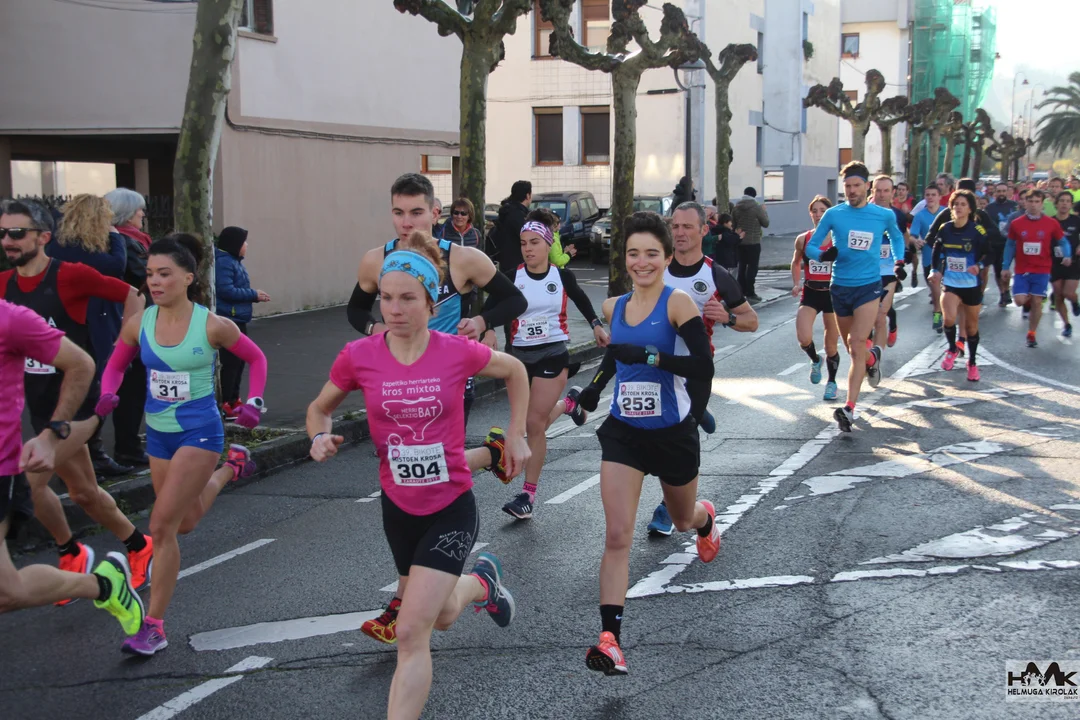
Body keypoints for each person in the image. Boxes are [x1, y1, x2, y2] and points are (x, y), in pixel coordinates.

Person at [307, 233, 528, 718]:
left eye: (407, 298)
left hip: (450, 506)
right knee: (443, 614)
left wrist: (516, 433)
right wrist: (318, 436)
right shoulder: (359, 356)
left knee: (410, 632)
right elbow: (319, 408)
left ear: (432, 302)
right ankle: (482, 584)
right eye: (386, 298)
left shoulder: (456, 351)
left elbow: (515, 371)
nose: (393, 309)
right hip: (398, 507)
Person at [94, 233, 266, 655]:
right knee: (184, 522)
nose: (155, 281)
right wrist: (107, 392)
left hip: (200, 432)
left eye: (165, 274)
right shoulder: (139, 323)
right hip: (158, 434)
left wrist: (255, 402)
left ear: (188, 277)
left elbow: (256, 357)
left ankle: (153, 625)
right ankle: (232, 468)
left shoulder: (212, 325)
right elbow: (115, 366)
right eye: (151, 274)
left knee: (161, 526)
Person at [565, 211, 721, 675]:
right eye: (633, 253)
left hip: (672, 434)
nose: (642, 262)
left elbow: (703, 366)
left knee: (681, 519)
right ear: (625, 259)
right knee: (617, 535)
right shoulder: (614, 307)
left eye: (652, 253)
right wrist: (594, 390)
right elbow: (616, 356)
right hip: (625, 433)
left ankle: (705, 519)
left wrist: (654, 357)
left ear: (667, 257)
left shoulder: (678, 304)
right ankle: (610, 640)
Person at [0, 200, 153, 600]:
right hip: (40, 405)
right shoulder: (3, 285)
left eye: (17, 233)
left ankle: (67, 553)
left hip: (82, 404)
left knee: (28, 480)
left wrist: (125, 343)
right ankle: (136, 545)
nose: (8, 241)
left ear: (43, 237)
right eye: (2, 234)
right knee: (84, 492)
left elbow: (132, 295)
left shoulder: (70, 275)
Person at [0, 299, 144, 634]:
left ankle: (103, 582)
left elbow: (80, 364)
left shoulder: (10, 318)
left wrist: (53, 434)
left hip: (5, 465)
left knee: (6, 593)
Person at [346, 174, 527, 427]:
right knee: (401, 450)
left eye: (416, 213)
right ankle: (491, 448)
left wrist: (481, 322)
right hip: (398, 378)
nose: (406, 223)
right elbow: (356, 309)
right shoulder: (376, 260)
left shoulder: (462, 259)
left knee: (444, 451)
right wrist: (377, 329)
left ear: (434, 214)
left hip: (450, 378)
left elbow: (515, 300)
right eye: (398, 213)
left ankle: (493, 448)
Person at [644, 202, 758, 537]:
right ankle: (700, 412)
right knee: (653, 436)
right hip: (659, 368)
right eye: (675, 226)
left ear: (704, 231)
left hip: (695, 369)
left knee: (679, 439)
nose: (679, 233)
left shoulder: (715, 275)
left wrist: (728, 317)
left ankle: (668, 506)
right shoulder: (656, 269)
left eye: (687, 227)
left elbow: (752, 321)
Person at [500, 221, 609, 520]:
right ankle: (568, 405)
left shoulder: (561, 276)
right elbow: (494, 303)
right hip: (518, 359)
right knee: (528, 424)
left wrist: (596, 325)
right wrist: (484, 328)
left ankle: (527, 496)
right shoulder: (512, 277)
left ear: (549, 245)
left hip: (553, 354)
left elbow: (582, 299)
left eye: (534, 242)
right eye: (523, 243)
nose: (528, 249)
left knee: (533, 424)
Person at [804, 162, 904, 432]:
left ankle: (849, 408)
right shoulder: (834, 214)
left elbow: (896, 238)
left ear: (867, 187)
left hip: (869, 286)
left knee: (858, 342)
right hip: (840, 287)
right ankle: (872, 359)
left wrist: (899, 261)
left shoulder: (883, 215)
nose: (851, 190)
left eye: (856, 185)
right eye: (847, 186)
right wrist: (823, 255)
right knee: (851, 347)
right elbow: (811, 246)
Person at [45, 194, 132, 478]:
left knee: (76, 393)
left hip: (69, 323)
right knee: (91, 392)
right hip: (89, 325)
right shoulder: (84, 250)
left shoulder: (57, 245)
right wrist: (116, 236)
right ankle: (86, 456)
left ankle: (87, 456)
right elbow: (116, 267)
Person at [923, 178, 1005, 356]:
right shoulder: (946, 215)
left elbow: (995, 237)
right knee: (943, 297)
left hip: (971, 267)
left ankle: (961, 338)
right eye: (957, 201)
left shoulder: (980, 216)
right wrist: (942, 258)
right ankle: (938, 315)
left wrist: (979, 253)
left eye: (965, 200)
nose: (959, 206)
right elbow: (931, 238)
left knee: (965, 308)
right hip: (948, 267)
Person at [105, 187, 153, 467]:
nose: (143, 214)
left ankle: (128, 445)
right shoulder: (125, 242)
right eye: (139, 209)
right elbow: (143, 281)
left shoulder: (128, 241)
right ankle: (127, 447)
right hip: (131, 324)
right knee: (131, 389)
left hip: (128, 322)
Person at [931, 190, 991, 381]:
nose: (958, 207)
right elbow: (936, 250)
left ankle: (972, 363)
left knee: (972, 328)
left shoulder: (977, 231)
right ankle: (952, 349)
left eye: (963, 204)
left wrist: (979, 266)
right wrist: (935, 270)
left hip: (971, 285)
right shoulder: (945, 228)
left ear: (970, 209)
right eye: (956, 204)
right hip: (950, 282)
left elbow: (990, 253)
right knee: (949, 318)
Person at [214, 226, 271, 421]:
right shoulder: (224, 262)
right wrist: (253, 295)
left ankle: (233, 399)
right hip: (229, 319)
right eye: (244, 242)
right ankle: (226, 402)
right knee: (230, 363)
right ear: (235, 244)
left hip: (238, 318)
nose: (246, 245)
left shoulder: (233, 262)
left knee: (239, 362)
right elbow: (225, 290)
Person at [1003, 189, 1070, 348]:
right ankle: (1027, 302)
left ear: (1042, 204)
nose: (1033, 205)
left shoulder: (1051, 223)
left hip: (1042, 268)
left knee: (1037, 301)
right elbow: (1010, 245)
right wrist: (1005, 266)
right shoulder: (1016, 223)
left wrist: (1067, 255)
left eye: (1037, 202)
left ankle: (1032, 333)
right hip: (1022, 269)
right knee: (1019, 301)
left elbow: (1063, 241)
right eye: (1030, 201)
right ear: (1025, 203)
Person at [791, 195, 842, 401]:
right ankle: (815, 359)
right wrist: (796, 283)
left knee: (831, 345)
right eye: (814, 211)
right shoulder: (804, 239)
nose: (818, 215)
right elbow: (796, 262)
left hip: (833, 294)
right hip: (811, 292)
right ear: (810, 214)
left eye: (823, 211)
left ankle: (832, 382)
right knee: (803, 337)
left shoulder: (839, 239)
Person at [870, 176, 910, 352]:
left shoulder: (898, 216)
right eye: (878, 190)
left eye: (886, 191)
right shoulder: (864, 213)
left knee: (880, 314)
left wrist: (903, 257)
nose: (882, 194)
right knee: (868, 313)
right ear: (872, 191)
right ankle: (868, 349)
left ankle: (875, 357)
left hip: (889, 270)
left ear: (893, 193)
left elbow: (903, 237)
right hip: (867, 270)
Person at [909, 184, 943, 319]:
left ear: (939, 197)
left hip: (946, 257)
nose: (930, 197)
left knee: (945, 290)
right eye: (927, 195)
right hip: (929, 258)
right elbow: (912, 235)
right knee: (934, 289)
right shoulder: (920, 215)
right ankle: (938, 313)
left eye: (933, 195)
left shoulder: (947, 213)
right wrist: (915, 241)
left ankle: (942, 315)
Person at [1050, 191, 1080, 337]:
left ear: (1071, 204)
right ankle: (1067, 324)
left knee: (1068, 293)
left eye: (1068, 201)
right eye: (1062, 200)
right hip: (1055, 263)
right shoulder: (1050, 221)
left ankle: (1074, 301)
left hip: (1073, 262)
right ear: (1056, 203)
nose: (1064, 204)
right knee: (1058, 295)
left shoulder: (1076, 220)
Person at [732, 187, 770, 301]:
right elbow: (766, 223)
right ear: (754, 195)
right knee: (752, 267)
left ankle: (741, 290)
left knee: (742, 266)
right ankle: (750, 291)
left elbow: (733, 224)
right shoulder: (757, 208)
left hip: (740, 241)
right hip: (753, 241)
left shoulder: (736, 207)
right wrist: (764, 211)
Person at [985, 182, 1019, 307]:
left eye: (1004, 191)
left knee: (1008, 268)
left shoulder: (1014, 206)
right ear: (995, 193)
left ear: (1008, 192)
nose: (1001, 194)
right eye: (999, 191)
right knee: (998, 270)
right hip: (995, 242)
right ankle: (1003, 292)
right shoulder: (989, 208)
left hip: (1011, 242)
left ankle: (1008, 290)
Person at [492, 181, 532, 276]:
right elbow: (527, 237)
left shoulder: (507, 211)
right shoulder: (518, 215)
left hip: (505, 261)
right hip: (517, 263)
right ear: (527, 195)